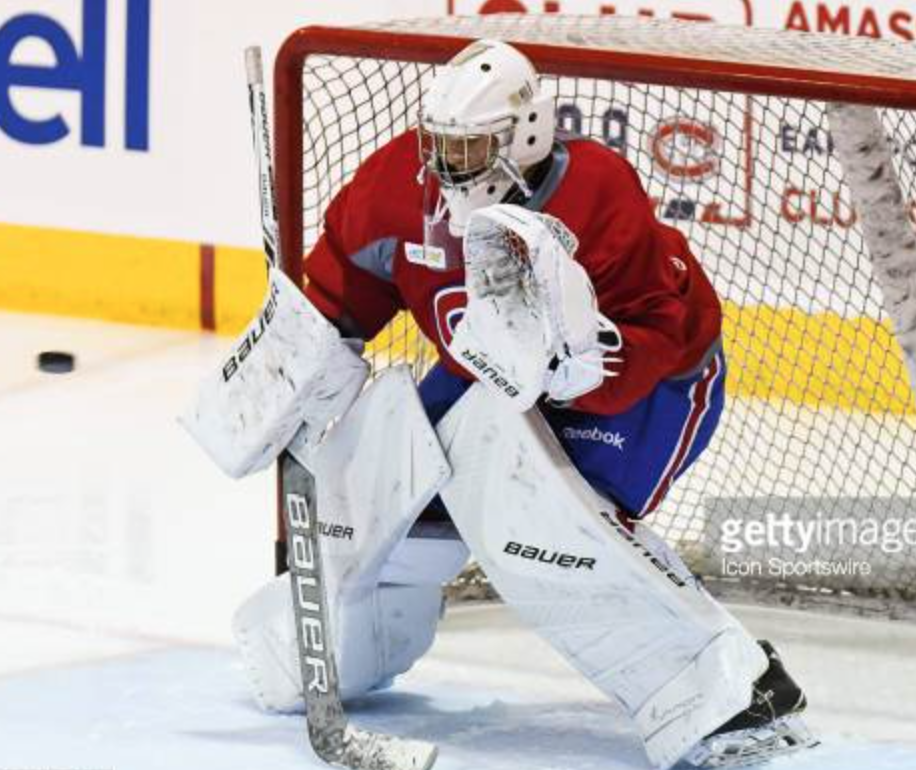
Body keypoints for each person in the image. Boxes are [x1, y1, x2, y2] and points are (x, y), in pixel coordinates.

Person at [233, 38, 812, 769]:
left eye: (468, 147)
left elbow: (661, 333)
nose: (445, 164)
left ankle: (731, 690)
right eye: (437, 142)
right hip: (481, 370)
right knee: (388, 482)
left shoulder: (597, 193)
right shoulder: (392, 187)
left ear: (526, 133)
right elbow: (338, 296)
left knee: (537, 528)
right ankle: (348, 652)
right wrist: (292, 365)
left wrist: (583, 374)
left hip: (641, 391)